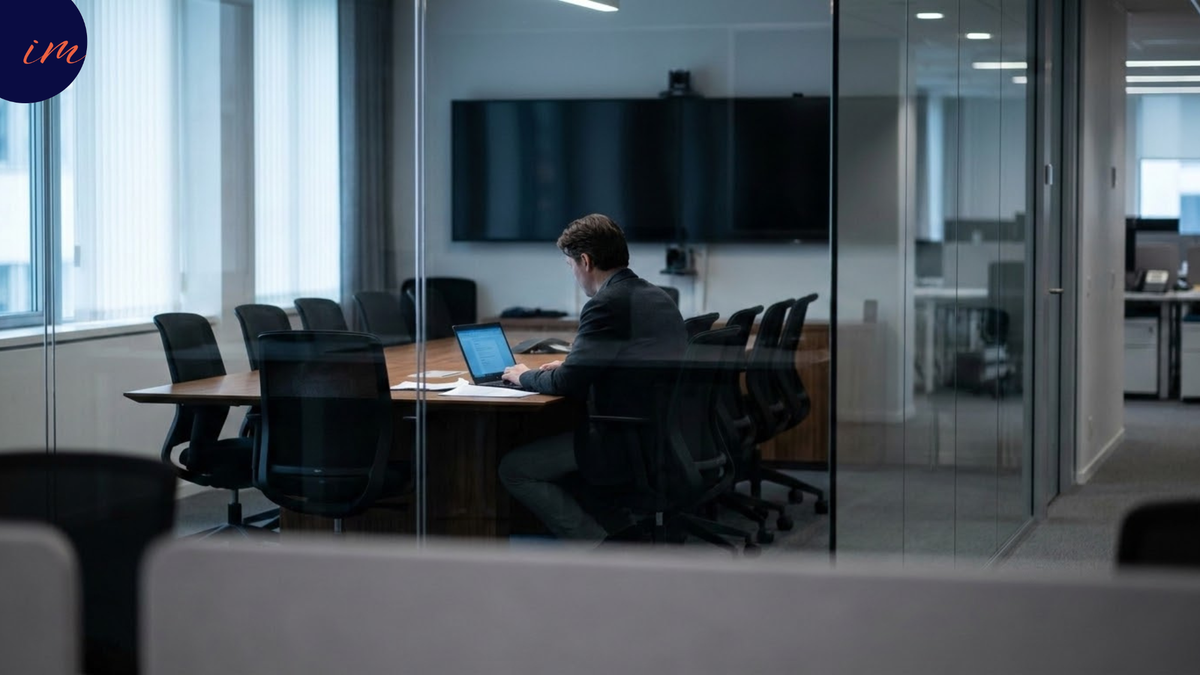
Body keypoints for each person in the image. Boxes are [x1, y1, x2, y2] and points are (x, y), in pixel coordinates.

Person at [499, 213, 687, 543]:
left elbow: (565, 385)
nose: (573, 274)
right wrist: (571, 364)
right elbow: (622, 361)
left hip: (620, 440)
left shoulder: (607, 304)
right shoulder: (656, 295)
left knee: (515, 469)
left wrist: (524, 376)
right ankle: (619, 532)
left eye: (571, 265)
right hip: (655, 434)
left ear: (585, 261)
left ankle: (595, 547)